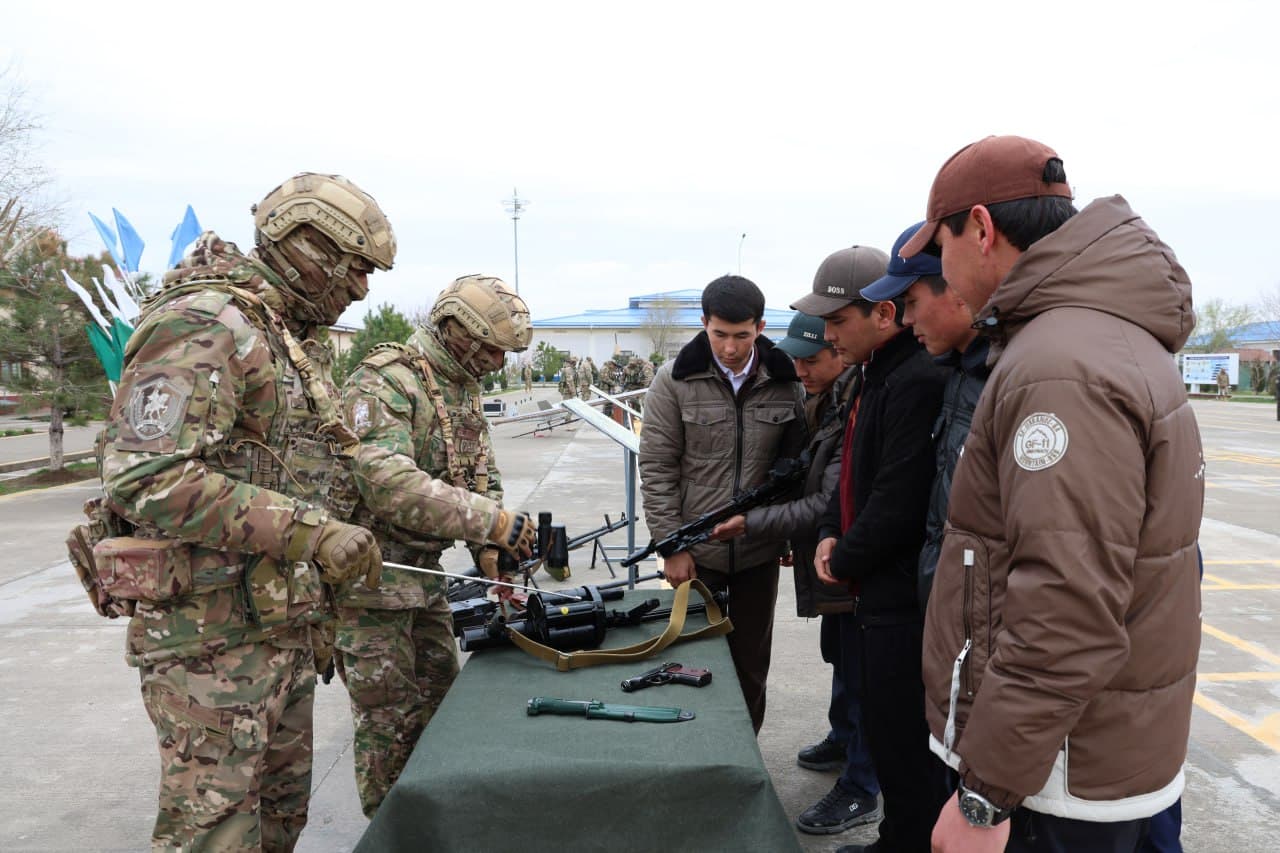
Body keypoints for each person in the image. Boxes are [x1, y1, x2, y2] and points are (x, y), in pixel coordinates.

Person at [901, 135, 1203, 852]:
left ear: (979, 228)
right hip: (1088, 758)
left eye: (937, 246)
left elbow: (1065, 606)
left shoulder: (1060, 366)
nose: (938, 270)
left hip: (1059, 783)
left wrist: (984, 797)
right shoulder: (1101, 338)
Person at [94, 173, 394, 850]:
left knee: (277, 827)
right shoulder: (204, 322)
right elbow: (146, 473)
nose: (361, 290)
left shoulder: (279, 335)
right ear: (308, 247)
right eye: (355, 270)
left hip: (277, 633)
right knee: (216, 836)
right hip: (212, 648)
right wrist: (311, 532)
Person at [335, 274, 538, 816]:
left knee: (441, 706)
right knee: (388, 724)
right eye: (494, 348)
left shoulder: (461, 389)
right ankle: (391, 830)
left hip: (423, 580)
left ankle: (437, 823)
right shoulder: (387, 383)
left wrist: (489, 553)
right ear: (459, 332)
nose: (499, 362)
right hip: (370, 588)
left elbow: (480, 475)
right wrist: (490, 522)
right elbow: (387, 485)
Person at [804, 244, 952, 853]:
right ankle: (897, 837)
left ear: (884, 315)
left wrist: (843, 558)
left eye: (838, 322)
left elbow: (898, 499)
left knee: (906, 747)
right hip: (878, 589)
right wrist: (833, 534)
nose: (828, 334)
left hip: (902, 597)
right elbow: (854, 482)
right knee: (890, 737)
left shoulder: (915, 378)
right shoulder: (877, 374)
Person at [709, 311, 880, 835]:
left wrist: (756, 525)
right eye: (796, 359)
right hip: (831, 560)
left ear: (838, 351)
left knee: (865, 667)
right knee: (839, 651)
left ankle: (862, 784)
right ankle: (843, 735)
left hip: (856, 559)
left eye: (811, 358)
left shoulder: (857, 399)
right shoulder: (822, 398)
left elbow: (829, 499)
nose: (800, 368)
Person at [638, 275, 805, 733]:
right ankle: (697, 759)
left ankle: (744, 761)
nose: (730, 348)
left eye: (742, 336)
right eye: (720, 335)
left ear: (761, 327)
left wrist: (783, 531)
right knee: (692, 665)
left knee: (751, 669)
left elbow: (792, 468)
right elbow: (657, 468)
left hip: (758, 553)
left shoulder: (788, 382)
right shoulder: (672, 381)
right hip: (697, 557)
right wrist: (671, 546)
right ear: (704, 324)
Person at [858, 221, 990, 614]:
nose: (907, 320)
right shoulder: (958, 373)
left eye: (911, 303)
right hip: (950, 609)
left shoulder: (1002, 377)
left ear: (954, 288)